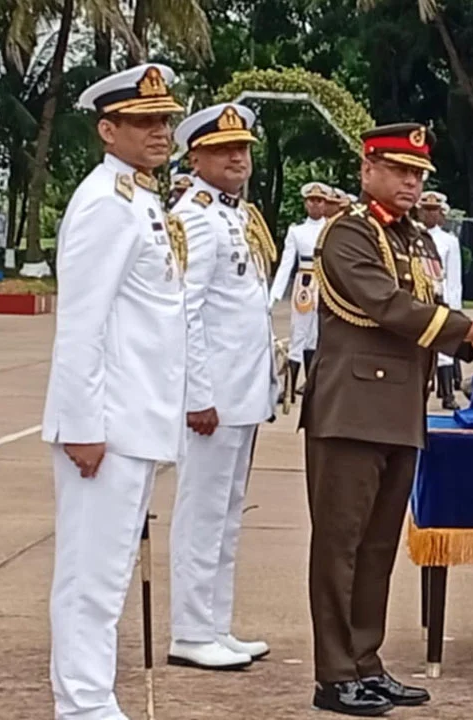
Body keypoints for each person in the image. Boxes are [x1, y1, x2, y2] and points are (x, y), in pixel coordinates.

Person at [300, 122, 473, 716]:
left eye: (418, 174)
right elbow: (385, 305)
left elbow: (425, 305)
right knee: (340, 546)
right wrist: (469, 332)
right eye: (400, 170)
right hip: (351, 410)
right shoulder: (346, 234)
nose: (410, 183)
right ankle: (334, 674)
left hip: (401, 408)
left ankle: (365, 662)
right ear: (367, 168)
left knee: (378, 546)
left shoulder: (415, 238)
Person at [42, 63, 187, 720]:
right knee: (90, 580)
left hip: (137, 416)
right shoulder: (104, 203)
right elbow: (82, 321)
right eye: (143, 121)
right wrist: (82, 425)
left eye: (164, 119)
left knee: (108, 578)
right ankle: (82, 707)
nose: (160, 131)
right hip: (107, 422)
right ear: (108, 129)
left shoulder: (140, 198)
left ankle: (93, 700)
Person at [167, 102, 277, 670]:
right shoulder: (196, 217)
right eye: (224, 150)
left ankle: (215, 624)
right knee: (201, 511)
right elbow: (186, 312)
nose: (238, 158)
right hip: (213, 398)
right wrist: (197, 394)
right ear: (196, 157)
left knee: (228, 511)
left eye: (244, 149)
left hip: (242, 392)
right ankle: (188, 629)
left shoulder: (237, 215)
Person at [270, 181, 331, 398]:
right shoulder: (297, 231)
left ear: (325, 204)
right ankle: (289, 387)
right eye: (312, 201)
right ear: (306, 204)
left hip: (324, 284)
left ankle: (312, 385)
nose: (315, 205)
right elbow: (287, 263)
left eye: (320, 201)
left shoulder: (331, 228)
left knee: (316, 336)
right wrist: (274, 295)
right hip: (304, 282)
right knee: (298, 334)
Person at [418, 191, 464, 409]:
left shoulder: (449, 241)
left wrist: (454, 305)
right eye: (426, 210)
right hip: (418, 294)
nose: (430, 214)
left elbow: (454, 277)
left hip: (440, 293)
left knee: (444, 347)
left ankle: (447, 395)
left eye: (434, 210)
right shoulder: (412, 235)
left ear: (441, 214)